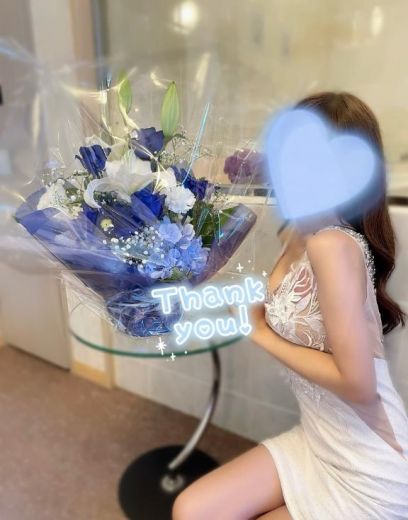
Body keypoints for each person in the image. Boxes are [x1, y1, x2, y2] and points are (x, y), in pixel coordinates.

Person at [172, 92, 408, 520]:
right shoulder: (297, 233)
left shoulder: (332, 245)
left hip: (369, 467)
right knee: (191, 509)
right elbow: (279, 309)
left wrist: (259, 332)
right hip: (320, 438)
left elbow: (359, 384)